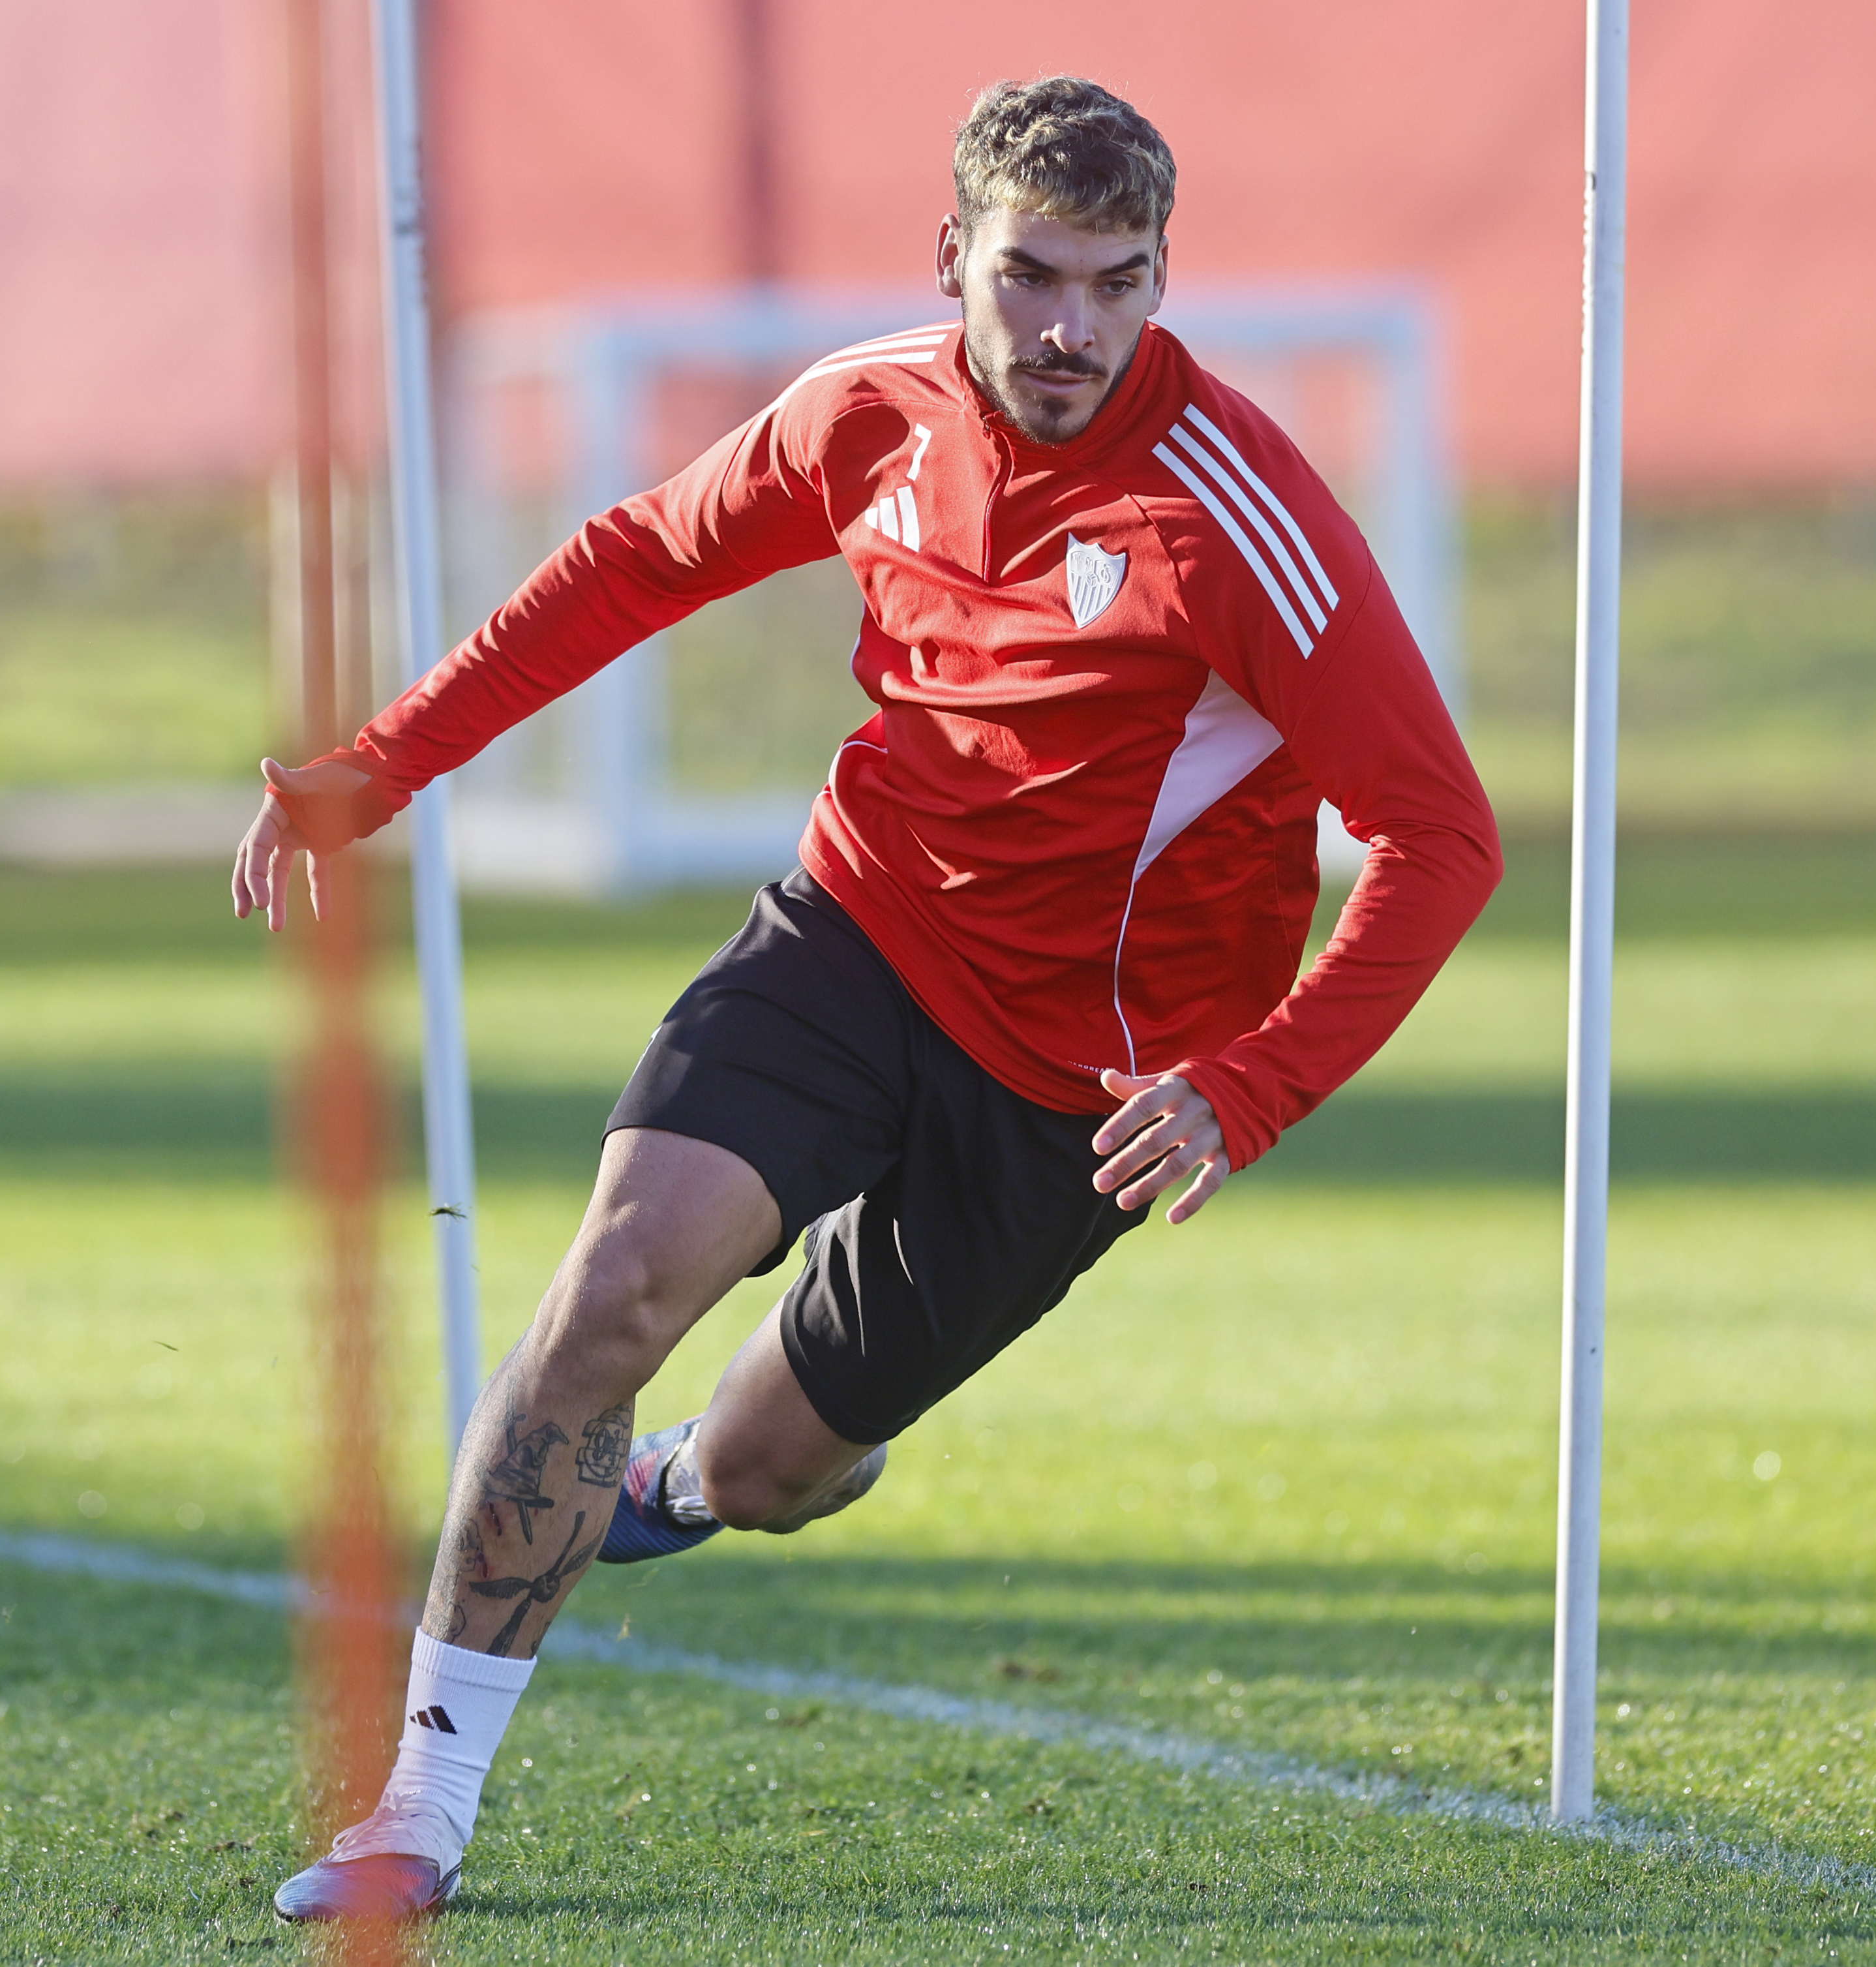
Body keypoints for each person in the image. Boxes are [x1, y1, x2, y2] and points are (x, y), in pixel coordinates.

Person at [234, 75, 1501, 1922]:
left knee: (768, 1471)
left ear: (1162, 281)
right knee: (611, 1287)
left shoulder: (1234, 520)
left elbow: (1438, 837)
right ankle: (412, 1806)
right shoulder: (867, 411)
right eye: (1029, 276)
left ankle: (688, 1474)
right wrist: (385, 762)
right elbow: (635, 560)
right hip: (857, 933)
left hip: (1083, 1089)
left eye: (1116, 283)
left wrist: (1251, 1084)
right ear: (953, 260)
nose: (1070, 326)